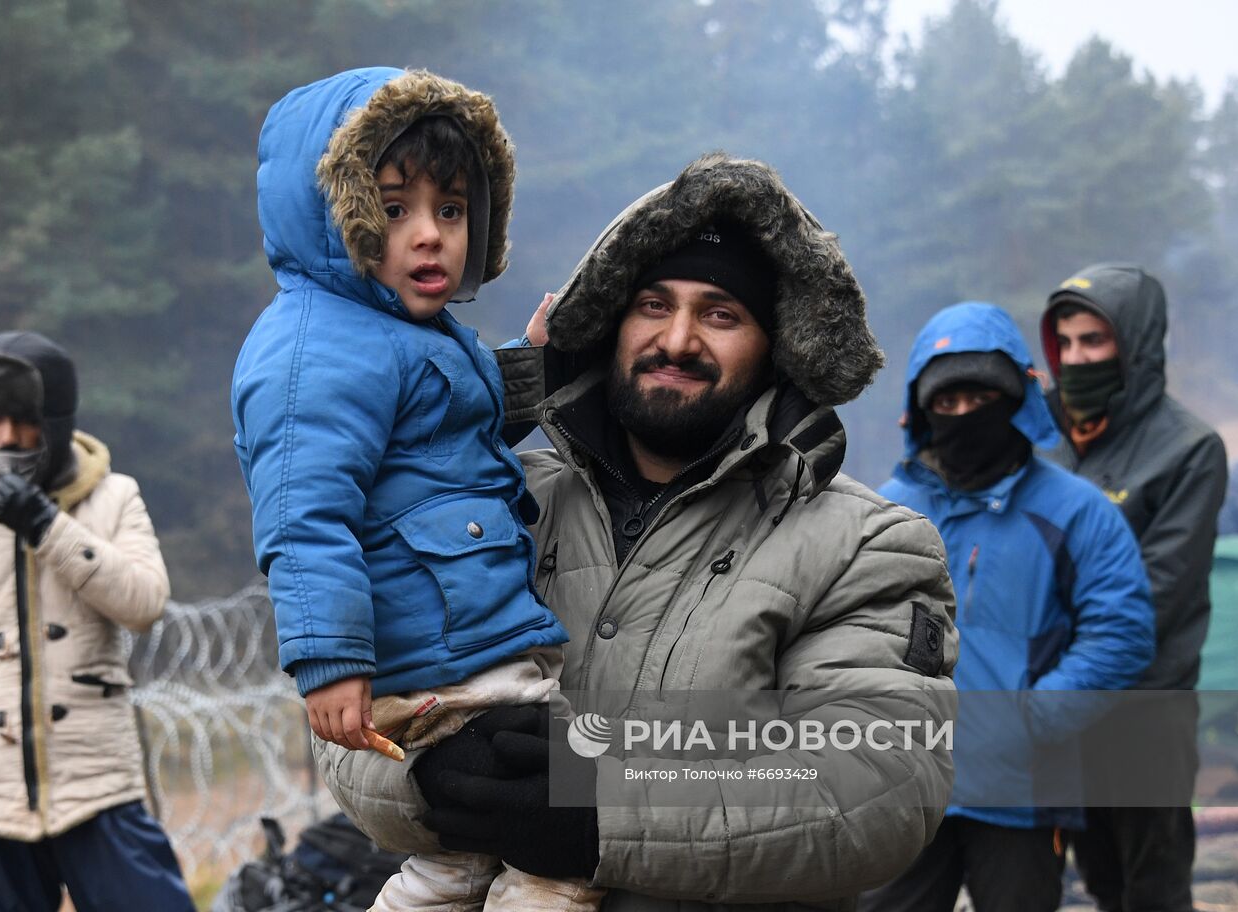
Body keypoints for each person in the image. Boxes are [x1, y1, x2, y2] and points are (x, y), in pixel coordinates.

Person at [313, 151, 961, 910]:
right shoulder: (490, 505)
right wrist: (431, 776)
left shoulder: (865, 546)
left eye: (721, 315)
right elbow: (357, 725)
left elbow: (877, 787)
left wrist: (601, 812)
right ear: (610, 324)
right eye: (653, 304)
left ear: (778, 350)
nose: (678, 339)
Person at [230, 67, 596, 910]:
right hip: (441, 658)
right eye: (394, 210)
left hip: (468, 643)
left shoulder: (403, 333)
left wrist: (532, 366)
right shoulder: (315, 350)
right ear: (334, 215)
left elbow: (447, 444)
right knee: (585, 815)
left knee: (463, 861)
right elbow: (303, 517)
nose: (430, 236)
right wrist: (329, 661)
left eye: (453, 209)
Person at [0, 331, 193, 911]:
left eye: (20, 420)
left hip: (99, 786)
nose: (2, 437)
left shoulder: (115, 497)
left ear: (53, 421)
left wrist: (50, 529)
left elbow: (146, 603)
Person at [859, 302, 1155, 912]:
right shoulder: (887, 511)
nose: (965, 415)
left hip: (1023, 792)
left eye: (982, 398)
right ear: (922, 410)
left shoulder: (1077, 510)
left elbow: (1121, 632)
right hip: (903, 785)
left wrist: (1032, 720)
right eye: (948, 402)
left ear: (1018, 399)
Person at [1040, 263, 1229, 912]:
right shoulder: (1048, 437)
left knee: (1154, 887)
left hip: (1146, 706)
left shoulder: (1189, 449)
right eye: (1064, 343)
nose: (1075, 358)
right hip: (1061, 705)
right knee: (1099, 881)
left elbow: (1158, 588)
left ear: (1138, 343)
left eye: (1094, 341)